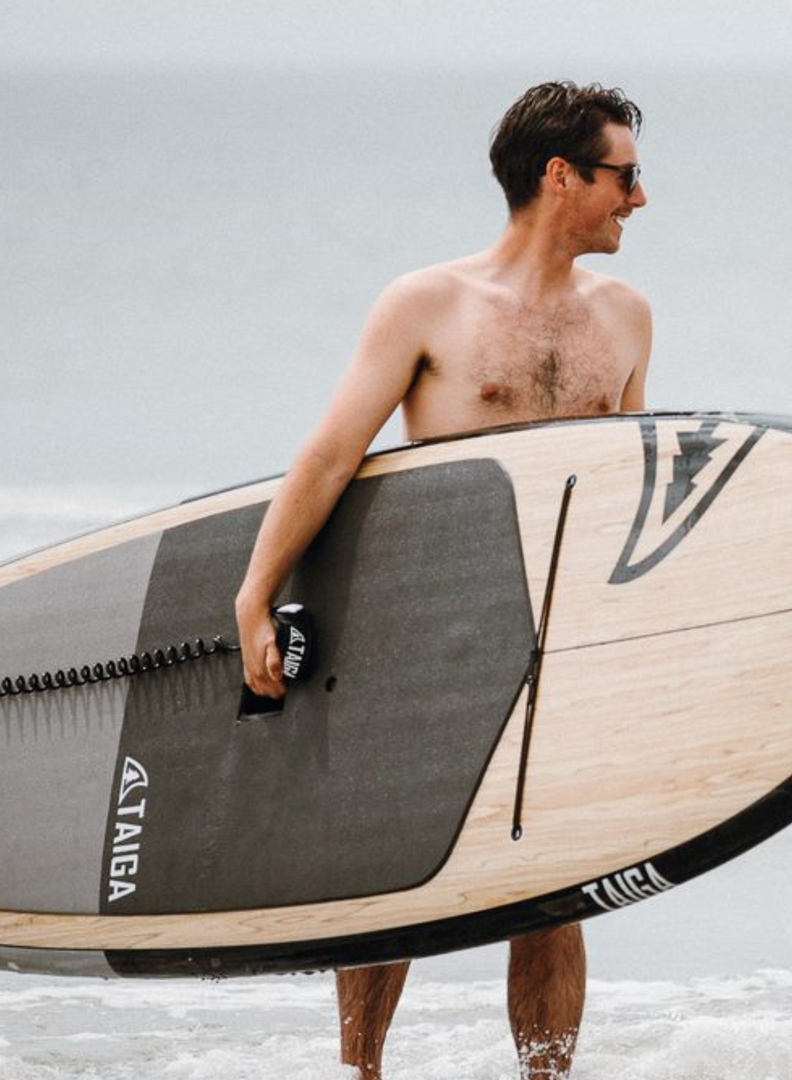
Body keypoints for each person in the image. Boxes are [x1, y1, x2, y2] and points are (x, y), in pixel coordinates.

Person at [235, 79, 651, 1080]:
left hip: (558, 636)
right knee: (395, 869)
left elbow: (623, 489)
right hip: (432, 625)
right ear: (562, 176)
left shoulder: (628, 318)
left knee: (554, 884)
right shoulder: (429, 304)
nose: (639, 199)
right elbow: (333, 456)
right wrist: (255, 597)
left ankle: (546, 1076)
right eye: (623, 177)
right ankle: (359, 1072)